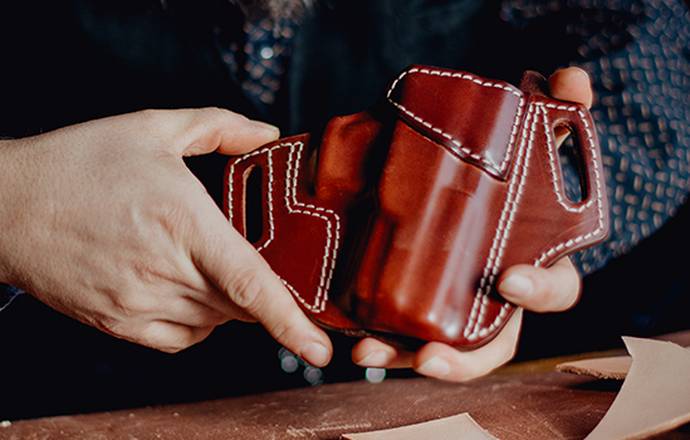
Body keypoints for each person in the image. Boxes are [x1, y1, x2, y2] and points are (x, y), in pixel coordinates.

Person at [0, 0, 688, 418]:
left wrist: (520, 219)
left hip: (455, 380)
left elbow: (658, 55)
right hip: (90, 385)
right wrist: (15, 202)